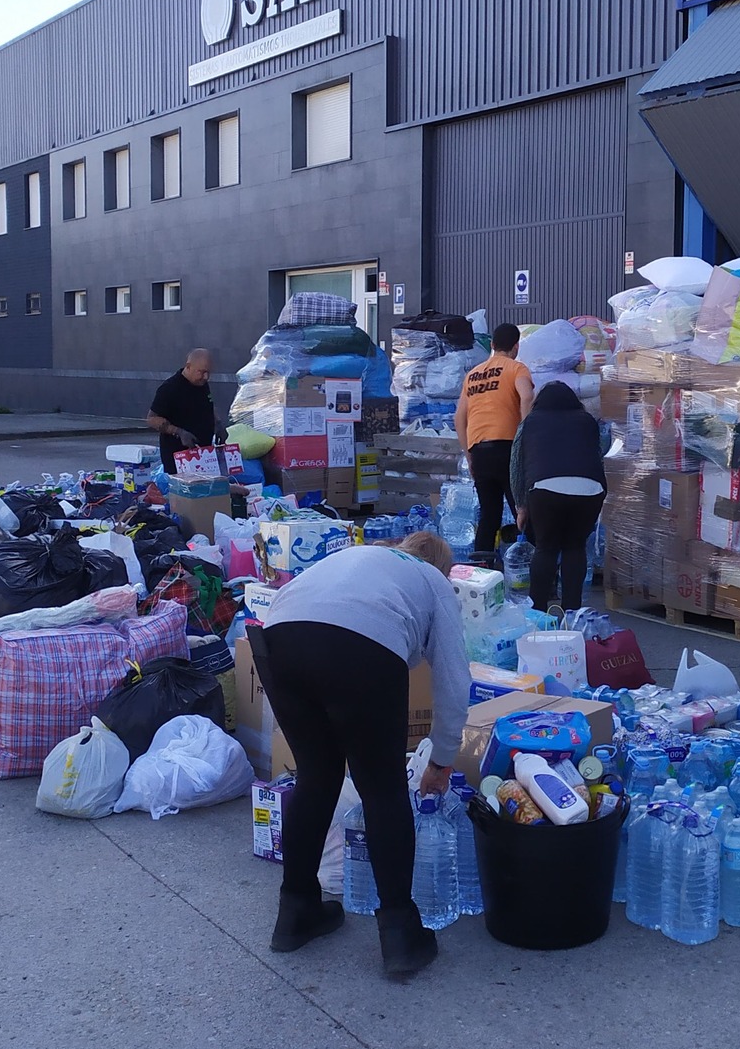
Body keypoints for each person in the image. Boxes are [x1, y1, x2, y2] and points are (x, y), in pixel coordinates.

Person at [251, 531, 472, 980]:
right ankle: (400, 935)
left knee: (316, 776)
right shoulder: (432, 580)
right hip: (359, 644)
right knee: (383, 787)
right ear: (441, 566)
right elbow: (454, 681)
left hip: (279, 641)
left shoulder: (360, 558)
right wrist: (442, 759)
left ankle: (295, 913)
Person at [510, 381, 608, 614]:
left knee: (546, 548)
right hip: (590, 489)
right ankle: (572, 615)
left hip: (544, 488)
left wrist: (521, 506)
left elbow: (516, 465)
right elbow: (598, 456)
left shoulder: (530, 423)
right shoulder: (587, 422)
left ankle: (538, 613)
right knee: (575, 547)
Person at [454, 323, 534, 560]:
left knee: (489, 516)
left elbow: (459, 418)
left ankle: (481, 572)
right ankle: (534, 571)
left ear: (492, 345)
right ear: (516, 346)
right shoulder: (517, 368)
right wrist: (525, 433)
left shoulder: (473, 374)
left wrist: (469, 453)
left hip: (479, 451)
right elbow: (527, 395)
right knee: (523, 511)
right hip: (508, 450)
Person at [146, 348, 216, 472]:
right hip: (178, 458)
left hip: (203, 455)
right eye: (202, 372)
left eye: (208, 373)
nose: (206, 377)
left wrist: (218, 424)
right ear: (188, 367)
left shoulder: (202, 384)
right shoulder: (170, 388)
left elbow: (208, 406)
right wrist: (179, 432)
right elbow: (151, 419)